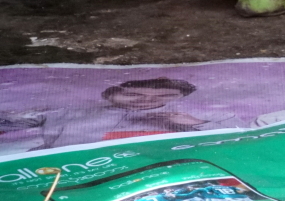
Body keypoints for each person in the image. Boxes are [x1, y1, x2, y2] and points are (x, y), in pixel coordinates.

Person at [0, 79, 219, 154]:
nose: (146, 101)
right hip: (62, 169)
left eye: (165, 95)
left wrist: (200, 124)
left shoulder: (192, 117)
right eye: (133, 94)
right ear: (109, 94)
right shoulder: (70, 110)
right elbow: (11, 123)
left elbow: (237, 140)